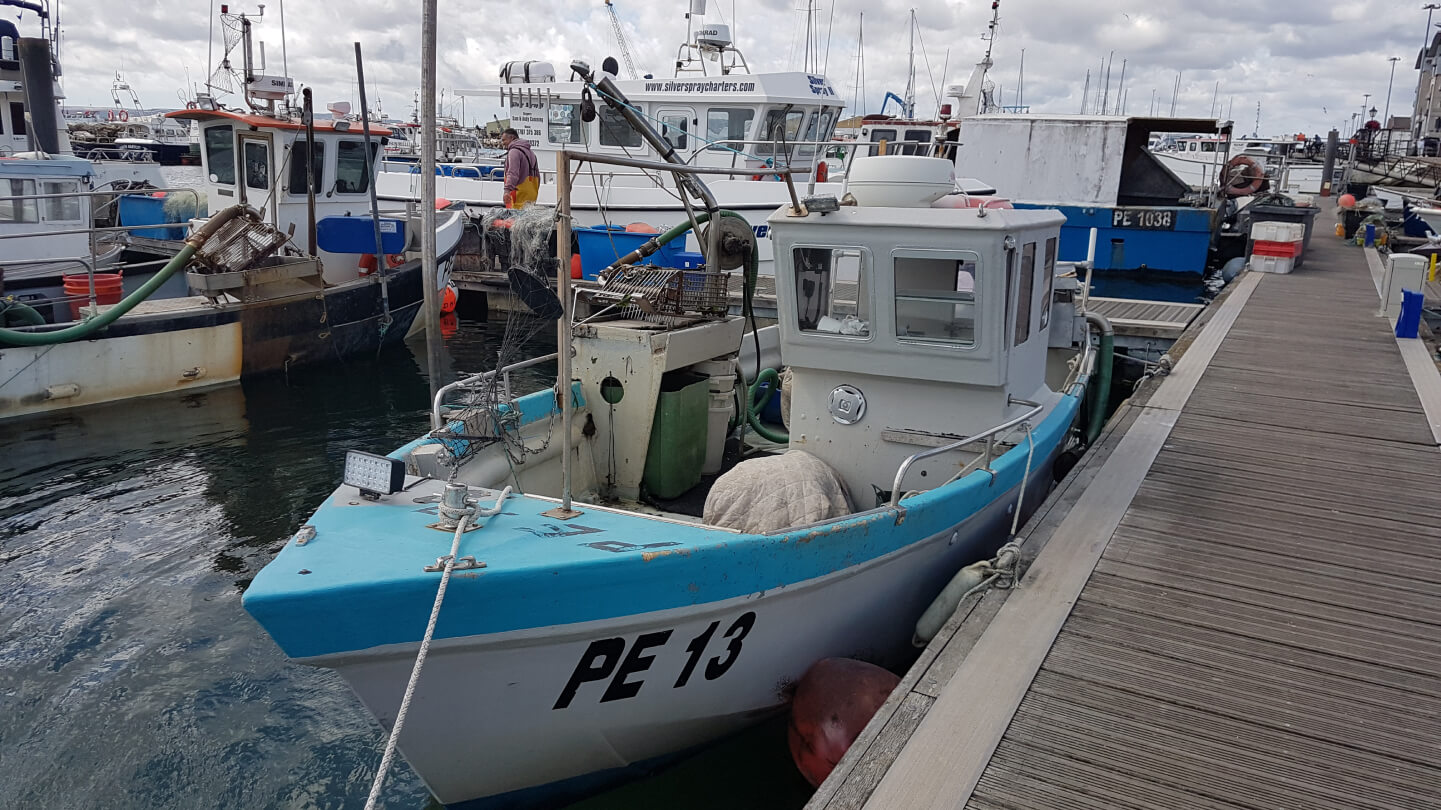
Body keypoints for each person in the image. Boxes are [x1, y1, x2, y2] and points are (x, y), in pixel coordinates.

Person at [500, 128, 540, 209]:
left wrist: (507, 190)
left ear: (512, 138)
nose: (503, 143)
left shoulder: (514, 152)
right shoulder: (531, 153)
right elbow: (538, 175)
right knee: (526, 220)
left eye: (504, 140)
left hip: (518, 196)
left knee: (514, 219)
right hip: (532, 194)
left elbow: (512, 173)